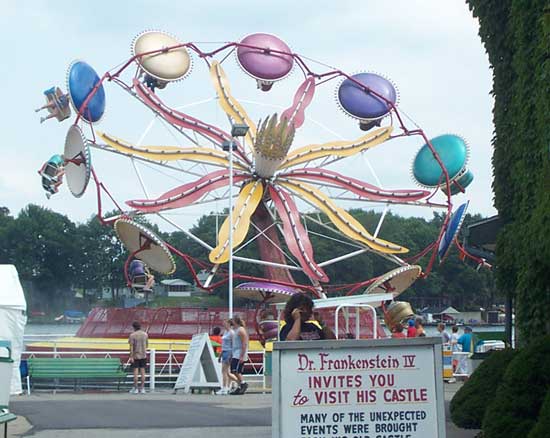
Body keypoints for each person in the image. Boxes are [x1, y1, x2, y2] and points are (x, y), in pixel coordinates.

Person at [229, 315, 249, 395]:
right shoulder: (236, 330)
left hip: (239, 352)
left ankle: (243, 384)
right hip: (235, 352)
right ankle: (240, 385)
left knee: (236, 370)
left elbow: (244, 343)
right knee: (233, 370)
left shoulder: (241, 330)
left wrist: (242, 355)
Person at [128, 321, 148, 394]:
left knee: (135, 372)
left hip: (136, 356)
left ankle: (136, 388)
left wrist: (131, 356)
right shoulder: (145, 334)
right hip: (143, 355)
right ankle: (142, 388)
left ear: (134, 327)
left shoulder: (132, 335)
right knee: (143, 372)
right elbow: (147, 345)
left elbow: (131, 346)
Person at [216, 319, 234, 395]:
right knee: (226, 371)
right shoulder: (226, 332)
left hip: (228, 352)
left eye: (225, 323)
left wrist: (232, 355)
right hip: (224, 351)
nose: (224, 324)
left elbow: (233, 344)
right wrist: (220, 355)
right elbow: (223, 345)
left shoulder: (231, 333)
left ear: (229, 324)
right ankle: (228, 387)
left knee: (225, 371)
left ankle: (225, 388)